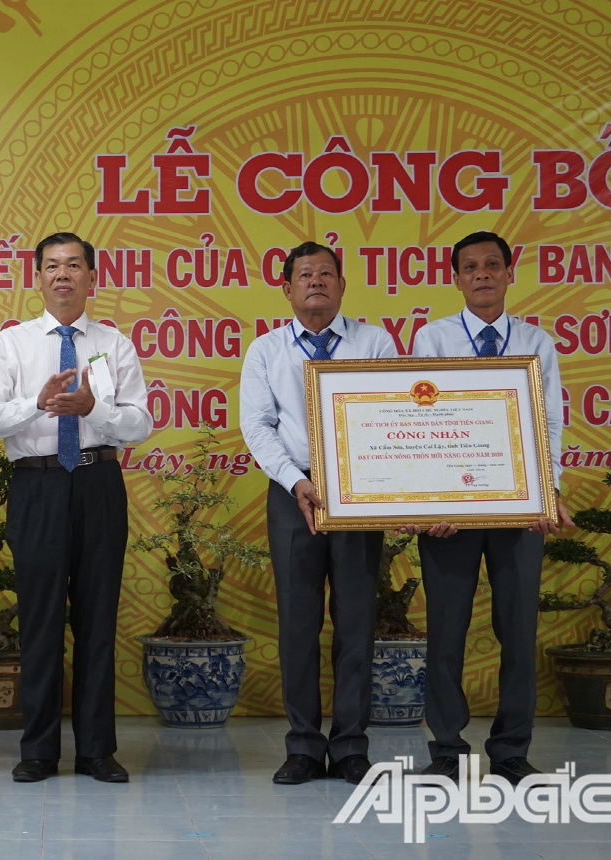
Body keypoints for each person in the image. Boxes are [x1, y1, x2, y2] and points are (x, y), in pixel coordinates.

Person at [0, 232, 149, 783]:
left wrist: (96, 410)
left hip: (99, 486)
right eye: (52, 266)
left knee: (98, 619)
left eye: (74, 265)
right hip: (38, 487)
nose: (63, 275)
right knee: (42, 619)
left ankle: (97, 750)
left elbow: (141, 423)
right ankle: (39, 751)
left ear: (92, 278)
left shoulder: (115, 345)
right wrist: (38, 402)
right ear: (38, 277)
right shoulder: (14, 344)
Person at [409, 230, 572, 785]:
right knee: (445, 630)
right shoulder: (431, 340)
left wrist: (545, 493)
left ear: (508, 273)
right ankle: (447, 749)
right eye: (470, 267)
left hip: (520, 510)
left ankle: (511, 749)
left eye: (492, 265)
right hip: (448, 513)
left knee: (518, 629)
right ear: (455, 278)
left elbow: (549, 423)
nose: (481, 274)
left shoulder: (536, 342)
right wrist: (432, 498)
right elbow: (420, 425)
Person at [239, 240, 397, 786]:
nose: (316, 283)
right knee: (298, 623)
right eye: (305, 275)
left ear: (342, 284)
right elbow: (258, 427)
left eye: (327, 274)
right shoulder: (265, 351)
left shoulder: (375, 343)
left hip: (360, 494)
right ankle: (304, 746)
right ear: (286, 288)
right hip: (293, 493)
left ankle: (351, 746)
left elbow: (393, 417)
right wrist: (297, 480)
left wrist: (371, 483)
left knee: (356, 622)